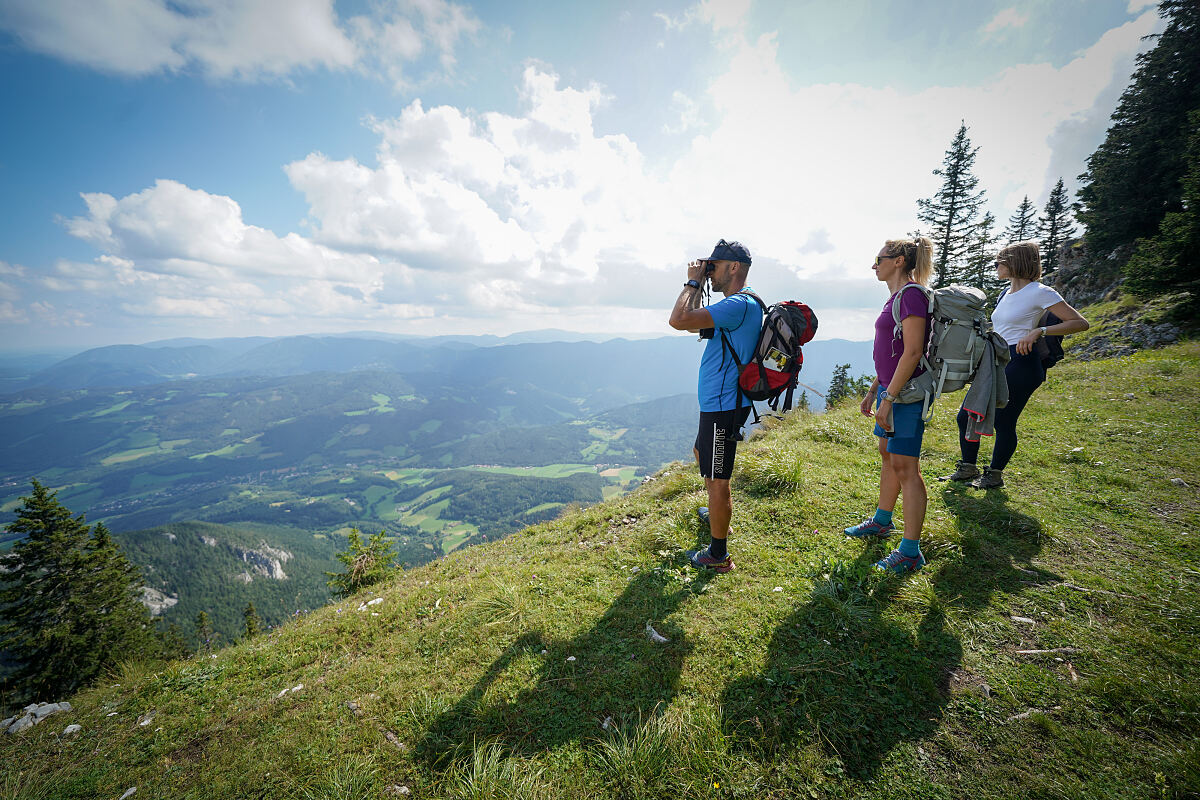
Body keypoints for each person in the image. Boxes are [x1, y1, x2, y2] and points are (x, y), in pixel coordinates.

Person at [942, 240, 1089, 489]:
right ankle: (968, 468)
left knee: (1003, 421)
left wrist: (1039, 331)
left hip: (1022, 362)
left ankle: (994, 475)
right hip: (996, 360)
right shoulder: (1005, 293)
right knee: (966, 415)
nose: (996, 266)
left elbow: (1080, 323)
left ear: (1014, 263)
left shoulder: (1041, 292)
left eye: (999, 262)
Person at [668, 239, 762, 573]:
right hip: (718, 403)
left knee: (718, 478)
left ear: (734, 267)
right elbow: (691, 322)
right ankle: (716, 512)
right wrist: (700, 281)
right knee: (701, 454)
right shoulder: (735, 306)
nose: (710, 272)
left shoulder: (739, 304)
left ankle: (719, 555)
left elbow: (678, 319)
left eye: (715, 266)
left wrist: (692, 281)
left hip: (724, 404)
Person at [844, 236, 935, 574]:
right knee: (888, 455)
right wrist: (874, 391)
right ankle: (882, 521)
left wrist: (890, 398)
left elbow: (912, 352)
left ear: (898, 261)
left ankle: (910, 552)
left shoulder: (912, 295)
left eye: (879, 258)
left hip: (907, 396)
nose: (874, 265)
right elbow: (892, 352)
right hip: (890, 390)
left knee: (906, 468)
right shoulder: (896, 298)